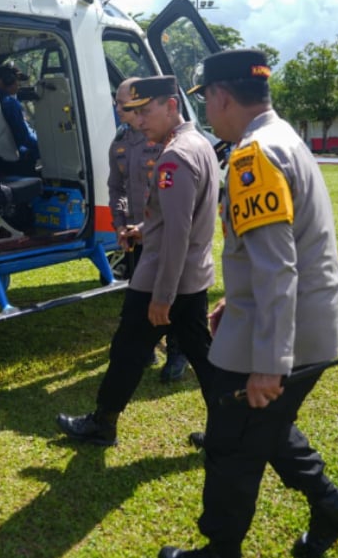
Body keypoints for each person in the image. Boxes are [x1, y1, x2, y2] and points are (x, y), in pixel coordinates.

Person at [160, 50, 338, 558]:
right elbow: (278, 249)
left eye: (205, 98)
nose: (206, 108)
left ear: (221, 96)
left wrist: (271, 363)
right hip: (296, 322)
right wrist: (237, 296)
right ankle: (331, 504)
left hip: (277, 336)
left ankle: (220, 550)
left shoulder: (254, 155)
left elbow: (278, 266)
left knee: (231, 444)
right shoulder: (283, 137)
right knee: (264, 427)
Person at [56, 75, 219, 446]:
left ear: (172, 106)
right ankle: (230, 431)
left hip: (164, 278)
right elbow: (178, 219)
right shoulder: (200, 144)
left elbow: (178, 232)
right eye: (136, 112)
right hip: (191, 276)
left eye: (146, 111)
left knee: (127, 351)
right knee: (204, 358)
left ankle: (102, 423)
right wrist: (143, 230)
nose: (139, 120)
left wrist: (162, 296)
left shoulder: (174, 158)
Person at [107, 77, 189, 381]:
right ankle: (147, 347)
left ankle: (178, 352)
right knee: (140, 290)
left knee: (175, 290)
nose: (119, 108)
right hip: (137, 232)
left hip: (164, 229)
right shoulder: (120, 142)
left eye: (123, 103)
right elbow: (118, 187)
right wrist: (120, 222)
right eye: (118, 103)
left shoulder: (165, 140)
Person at [0, 61, 40, 174]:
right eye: (17, 80)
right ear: (7, 80)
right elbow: (25, 137)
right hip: (17, 160)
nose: (18, 84)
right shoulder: (9, 103)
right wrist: (43, 144)